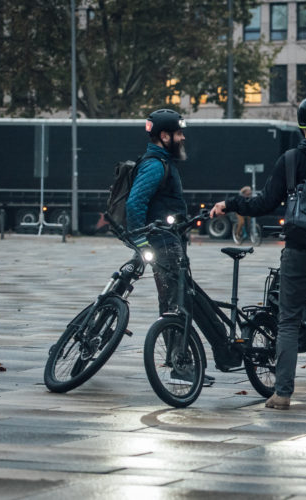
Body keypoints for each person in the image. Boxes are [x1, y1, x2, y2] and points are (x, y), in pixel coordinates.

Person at [211, 96, 306, 411]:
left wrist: (231, 203)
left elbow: (264, 203)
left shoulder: (291, 160)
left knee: (289, 320)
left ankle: (282, 394)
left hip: (300, 249)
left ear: (302, 126)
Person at [125, 108, 214, 386]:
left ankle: (181, 361)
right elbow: (134, 203)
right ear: (164, 136)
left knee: (177, 301)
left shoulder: (161, 161)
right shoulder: (155, 165)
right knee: (176, 305)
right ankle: (180, 364)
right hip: (163, 245)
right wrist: (141, 242)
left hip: (167, 242)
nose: (182, 137)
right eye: (178, 133)